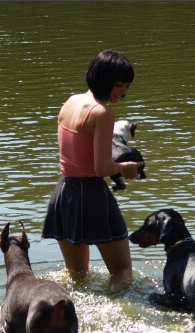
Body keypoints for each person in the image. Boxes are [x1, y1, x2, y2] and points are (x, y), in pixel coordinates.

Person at [42, 50, 143, 291]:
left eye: (127, 86)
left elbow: (81, 157)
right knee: (122, 271)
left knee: (76, 275)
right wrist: (125, 169)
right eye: (119, 85)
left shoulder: (70, 102)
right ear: (104, 80)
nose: (123, 92)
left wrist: (113, 170)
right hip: (91, 195)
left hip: (64, 193)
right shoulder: (103, 113)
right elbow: (100, 168)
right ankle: (115, 316)